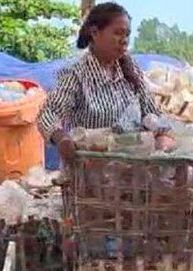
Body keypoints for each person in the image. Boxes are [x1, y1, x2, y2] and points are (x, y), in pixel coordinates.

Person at [37, 2, 161, 164]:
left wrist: (161, 132)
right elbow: (48, 114)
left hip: (130, 174)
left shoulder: (131, 71)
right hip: (90, 174)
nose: (124, 41)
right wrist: (62, 139)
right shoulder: (76, 73)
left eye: (127, 35)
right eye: (118, 33)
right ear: (95, 33)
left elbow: (153, 114)